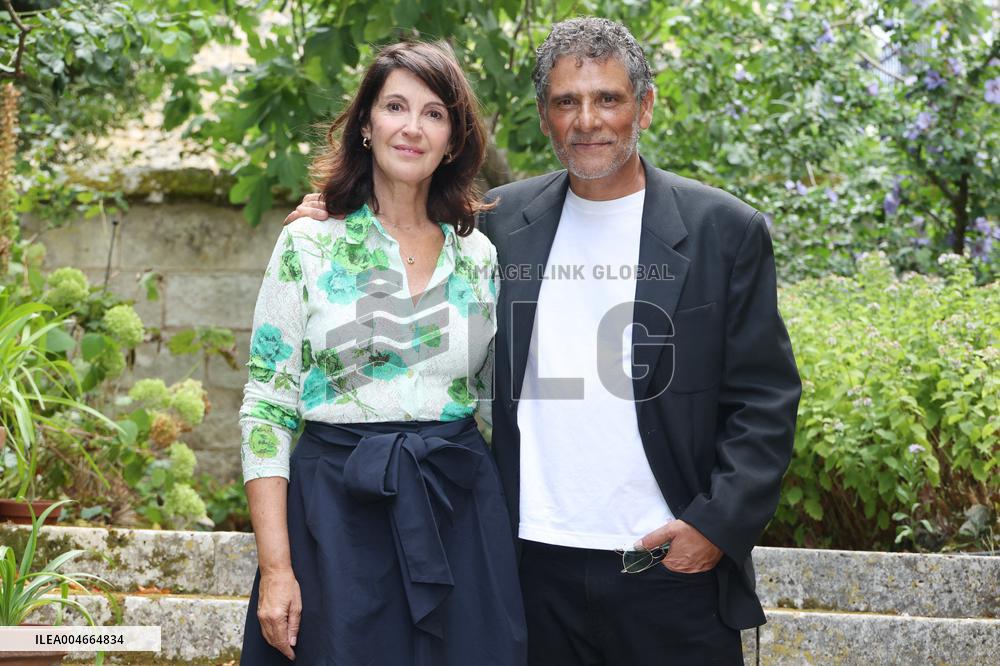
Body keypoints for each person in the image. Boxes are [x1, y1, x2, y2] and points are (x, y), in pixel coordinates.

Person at [287, 17, 801, 665]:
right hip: (528, 566)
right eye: (567, 101)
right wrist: (333, 217)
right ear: (544, 116)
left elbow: (765, 399)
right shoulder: (498, 225)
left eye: (608, 98)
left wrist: (715, 527)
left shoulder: (723, 231)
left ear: (644, 105)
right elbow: (403, 231)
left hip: (668, 567)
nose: (588, 119)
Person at [240, 41, 526, 665]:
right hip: (333, 516)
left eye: (433, 113)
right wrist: (277, 569)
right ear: (366, 124)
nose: (412, 127)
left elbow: (494, 396)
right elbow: (266, 408)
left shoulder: (479, 255)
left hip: (456, 509)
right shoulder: (308, 244)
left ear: (453, 139)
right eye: (395, 106)